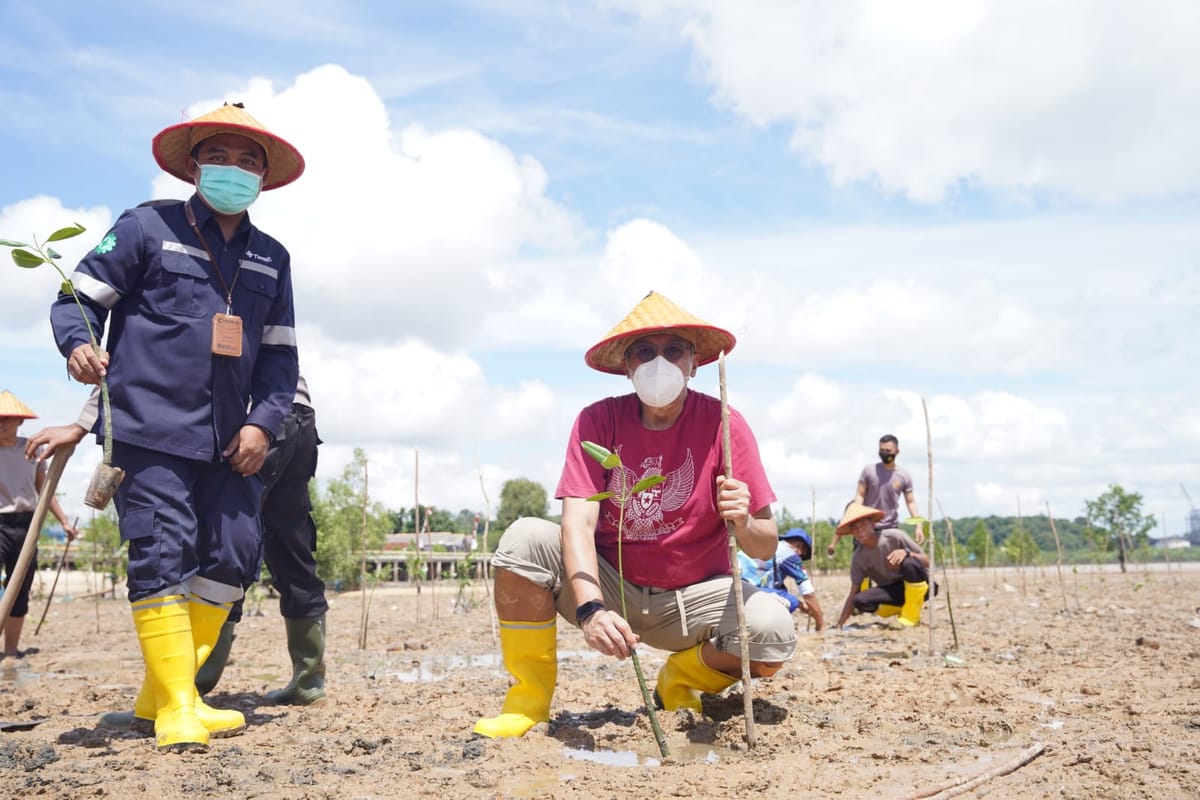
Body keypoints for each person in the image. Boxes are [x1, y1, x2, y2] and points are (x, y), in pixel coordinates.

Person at [48, 102, 303, 753]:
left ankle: (164, 693)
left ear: (265, 177)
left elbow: (279, 357)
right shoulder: (145, 226)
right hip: (149, 429)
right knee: (163, 547)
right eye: (220, 155)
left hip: (232, 440)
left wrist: (264, 425)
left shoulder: (272, 257)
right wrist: (78, 343)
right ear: (194, 164)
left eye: (250, 161)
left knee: (233, 554)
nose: (234, 169)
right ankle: (179, 706)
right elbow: (76, 296)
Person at [473, 291, 795, 739]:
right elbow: (578, 525)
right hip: (613, 585)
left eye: (672, 350)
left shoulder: (724, 422)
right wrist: (590, 610)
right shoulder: (597, 421)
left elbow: (764, 544)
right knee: (524, 538)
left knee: (772, 633)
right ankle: (528, 702)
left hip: (694, 597)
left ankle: (681, 678)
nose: (658, 362)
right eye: (644, 352)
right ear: (627, 367)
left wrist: (742, 520)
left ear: (693, 364)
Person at [27, 372, 327, 726]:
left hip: (249, 418)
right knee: (290, 542)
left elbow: (137, 357)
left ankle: (185, 688)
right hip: (296, 415)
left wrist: (82, 423)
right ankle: (309, 680)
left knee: (224, 540)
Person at [0, 391, 78, 659]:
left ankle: (10, 651)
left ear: (20, 422)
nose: (1, 423)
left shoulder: (30, 450)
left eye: (7, 419)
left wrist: (65, 523)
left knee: (20, 586)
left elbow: (45, 488)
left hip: (27, 525)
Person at [832, 502, 932, 628]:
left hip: (921, 585)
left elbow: (927, 561)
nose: (860, 531)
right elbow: (853, 592)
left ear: (872, 524)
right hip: (892, 591)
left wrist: (907, 553)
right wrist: (839, 624)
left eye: (863, 525)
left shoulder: (895, 536)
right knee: (860, 600)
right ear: (852, 533)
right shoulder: (858, 558)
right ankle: (902, 610)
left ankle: (911, 617)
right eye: (855, 528)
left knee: (909, 563)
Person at [827, 434, 922, 557]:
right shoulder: (869, 471)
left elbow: (911, 502)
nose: (884, 453)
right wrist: (856, 515)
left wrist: (918, 525)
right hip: (866, 528)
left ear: (897, 451)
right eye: (881, 450)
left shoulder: (903, 476)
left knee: (890, 566)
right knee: (863, 567)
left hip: (890, 528)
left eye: (888, 451)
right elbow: (860, 494)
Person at [738, 528, 825, 631]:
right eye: (802, 555)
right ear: (799, 546)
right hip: (747, 592)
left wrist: (802, 606)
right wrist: (820, 623)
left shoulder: (770, 546)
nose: (800, 558)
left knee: (783, 592)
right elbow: (808, 593)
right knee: (791, 601)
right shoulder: (789, 554)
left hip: (736, 586)